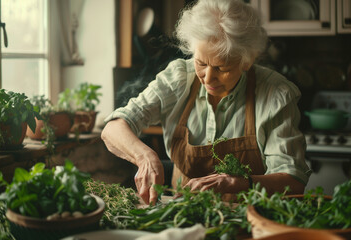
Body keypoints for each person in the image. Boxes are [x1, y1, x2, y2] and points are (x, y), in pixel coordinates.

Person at [102, 0, 311, 205]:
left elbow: (293, 181)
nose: (208, 78)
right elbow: (113, 129)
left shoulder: (276, 94)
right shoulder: (179, 78)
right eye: (201, 63)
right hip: (182, 214)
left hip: (249, 219)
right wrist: (145, 157)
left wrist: (239, 182)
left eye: (222, 68)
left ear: (247, 60)